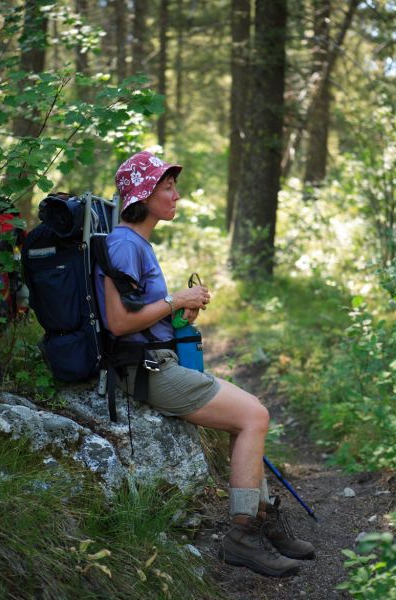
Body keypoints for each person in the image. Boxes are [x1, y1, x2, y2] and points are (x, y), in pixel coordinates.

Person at [95, 150, 315, 578]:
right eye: (168, 187)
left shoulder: (136, 243)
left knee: (248, 416)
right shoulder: (124, 243)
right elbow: (119, 323)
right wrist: (177, 299)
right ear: (143, 195)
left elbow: (141, 313)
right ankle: (242, 536)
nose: (176, 195)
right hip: (145, 372)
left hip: (156, 361)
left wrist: (180, 312)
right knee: (255, 415)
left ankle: (262, 521)